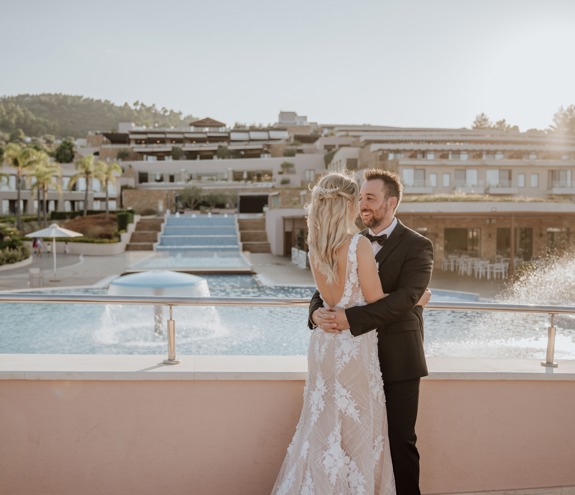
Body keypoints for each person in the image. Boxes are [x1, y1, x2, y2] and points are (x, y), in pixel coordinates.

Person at [310, 168, 434, 495]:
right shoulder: (351, 242)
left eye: (370, 198)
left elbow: (406, 297)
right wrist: (316, 313)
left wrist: (352, 318)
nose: (362, 204)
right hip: (354, 358)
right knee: (350, 440)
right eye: (359, 197)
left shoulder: (419, 246)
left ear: (391, 203)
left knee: (399, 441)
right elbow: (322, 292)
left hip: (397, 358)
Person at [272, 171, 396, 495]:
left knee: (323, 430)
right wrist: (412, 298)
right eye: (357, 199)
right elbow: (376, 303)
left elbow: (327, 299)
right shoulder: (359, 245)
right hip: (353, 350)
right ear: (348, 204)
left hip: (324, 348)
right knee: (356, 429)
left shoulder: (317, 248)